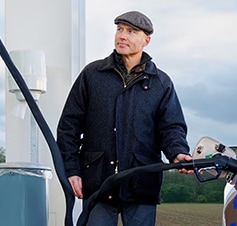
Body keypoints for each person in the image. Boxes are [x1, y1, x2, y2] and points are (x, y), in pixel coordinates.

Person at [57, 10, 193, 226]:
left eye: (131, 31)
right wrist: (72, 170)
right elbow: (68, 127)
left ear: (146, 40)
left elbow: (171, 128)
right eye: (120, 29)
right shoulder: (92, 75)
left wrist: (178, 153)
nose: (122, 35)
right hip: (98, 183)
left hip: (142, 183)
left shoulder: (161, 82)